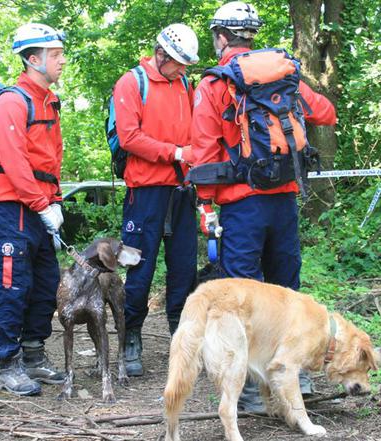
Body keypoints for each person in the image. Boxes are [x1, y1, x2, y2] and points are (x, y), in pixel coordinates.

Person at [190, 2, 338, 411]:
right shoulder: (283, 73)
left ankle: (253, 387)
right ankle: (296, 376)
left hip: (242, 204)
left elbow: (203, 153)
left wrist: (205, 207)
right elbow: (326, 113)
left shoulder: (215, 84)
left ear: (221, 37)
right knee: (287, 291)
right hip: (285, 199)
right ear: (252, 34)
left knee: (243, 296)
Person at [0, 23, 67, 396]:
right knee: (13, 286)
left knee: (46, 284)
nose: (62, 61)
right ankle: (8, 363)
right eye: (56, 55)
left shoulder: (48, 101)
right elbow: (14, 162)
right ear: (34, 59)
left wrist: (56, 202)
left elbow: (52, 159)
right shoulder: (13, 103)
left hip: (39, 206)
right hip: (9, 207)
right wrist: (40, 203)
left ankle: (34, 355)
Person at [112, 23, 200, 377]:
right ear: (160, 54)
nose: (183, 70)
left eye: (186, 64)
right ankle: (130, 335)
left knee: (184, 270)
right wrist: (177, 152)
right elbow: (129, 137)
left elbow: (197, 132)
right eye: (178, 62)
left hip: (182, 192)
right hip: (145, 192)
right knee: (138, 269)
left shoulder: (185, 85)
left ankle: (181, 340)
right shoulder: (132, 82)